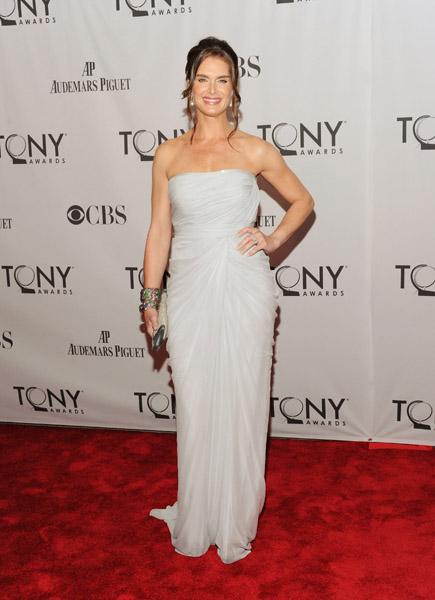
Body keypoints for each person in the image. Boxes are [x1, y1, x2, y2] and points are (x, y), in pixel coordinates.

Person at [141, 36, 314, 564]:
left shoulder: (254, 150)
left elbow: (302, 201)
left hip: (243, 283)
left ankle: (235, 515)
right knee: (195, 401)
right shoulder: (169, 154)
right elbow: (159, 231)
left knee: (242, 397)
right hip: (189, 287)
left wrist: (272, 239)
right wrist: (150, 298)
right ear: (189, 86)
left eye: (222, 79)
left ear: (234, 88)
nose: (212, 89)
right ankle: (199, 512)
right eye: (203, 79)